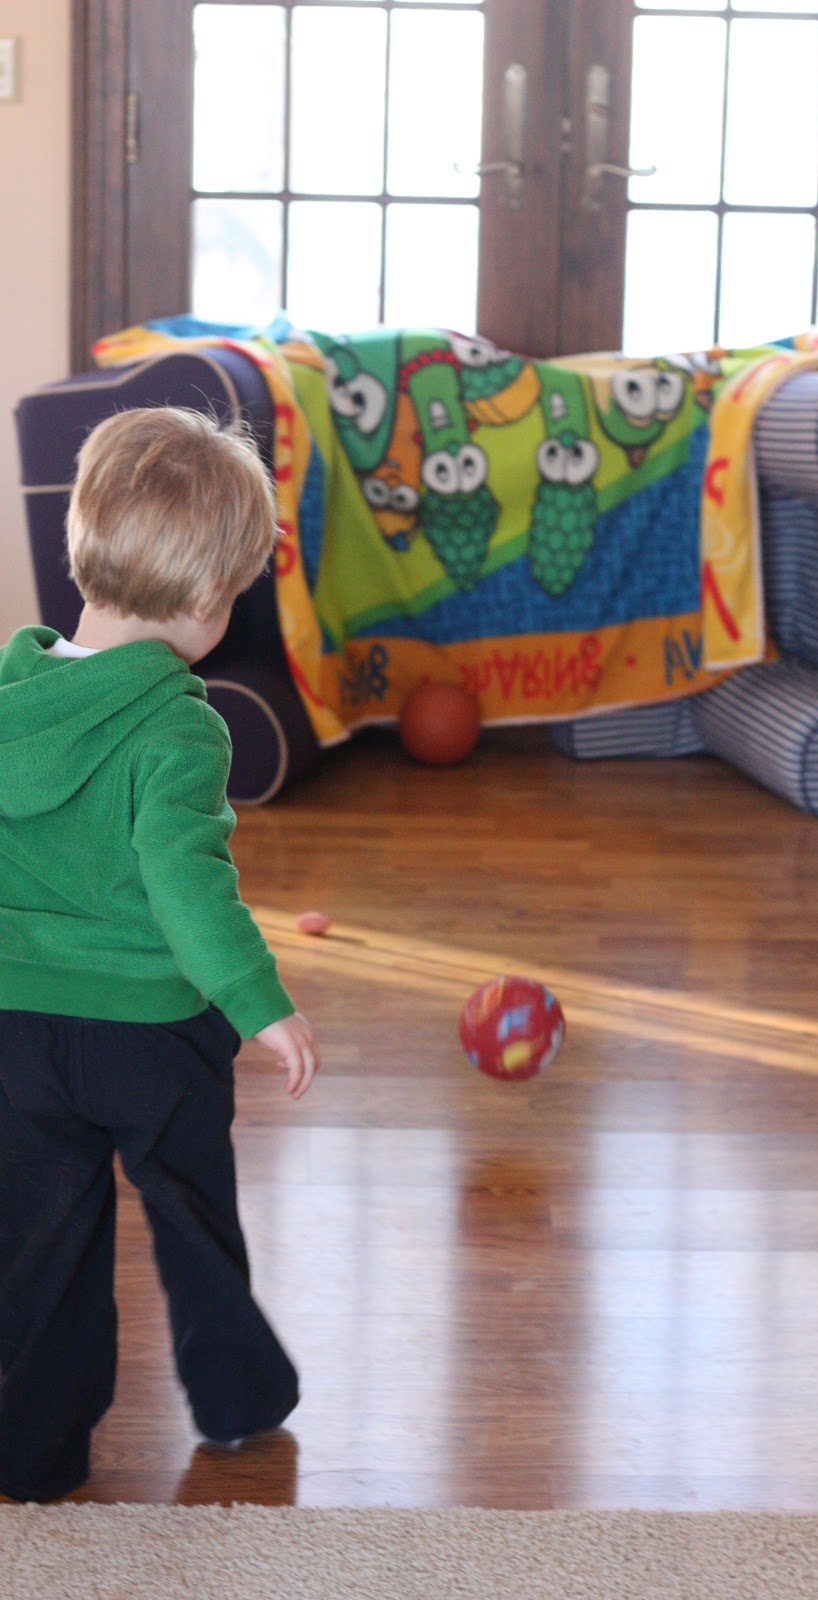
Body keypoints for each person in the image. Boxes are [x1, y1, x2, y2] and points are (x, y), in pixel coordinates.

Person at [0, 406, 320, 1503]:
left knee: (37, 1241)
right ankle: (235, 1398)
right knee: (188, 1211)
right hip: (151, 1027)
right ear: (202, 602)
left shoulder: (9, 699)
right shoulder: (179, 723)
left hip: (15, 1030)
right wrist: (257, 999)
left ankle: (30, 1457)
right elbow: (188, 882)